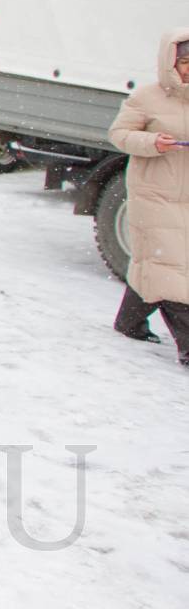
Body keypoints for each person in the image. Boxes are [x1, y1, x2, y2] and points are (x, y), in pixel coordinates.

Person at [107, 29, 189, 366]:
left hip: (185, 196)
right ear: (170, 63)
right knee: (171, 268)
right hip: (153, 193)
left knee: (157, 263)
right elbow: (118, 134)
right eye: (184, 61)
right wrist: (152, 142)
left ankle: (129, 321)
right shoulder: (147, 97)